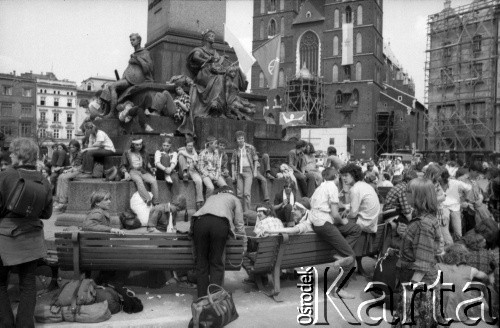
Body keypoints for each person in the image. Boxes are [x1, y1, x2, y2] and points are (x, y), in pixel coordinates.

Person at [262, 190, 359, 299]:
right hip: (328, 253)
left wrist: (271, 231)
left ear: (303, 211)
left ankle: (339, 289)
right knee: (351, 250)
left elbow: (294, 229)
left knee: (350, 256)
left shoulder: (306, 224)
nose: (292, 211)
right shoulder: (318, 217)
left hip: (300, 258)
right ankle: (340, 284)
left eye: (295, 209)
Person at [0, 138, 52, 328]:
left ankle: (5, 322)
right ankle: (24, 324)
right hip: (32, 238)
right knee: (28, 284)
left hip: (5, 239)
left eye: (12, 152)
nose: (10, 155)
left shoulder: (5, 175)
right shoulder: (43, 180)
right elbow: (47, 214)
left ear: (19, 154)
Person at [392, 178, 442, 328]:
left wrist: (410, 291)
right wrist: (405, 233)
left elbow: (423, 261)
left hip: (419, 284)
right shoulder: (422, 218)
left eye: (408, 192)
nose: (404, 194)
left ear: (419, 196)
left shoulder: (423, 223)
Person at [191, 185, 246, 297]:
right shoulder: (234, 199)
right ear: (231, 192)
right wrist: (244, 244)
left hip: (199, 222)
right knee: (216, 263)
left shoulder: (211, 198)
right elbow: (239, 224)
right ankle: (214, 299)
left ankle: (202, 300)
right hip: (219, 223)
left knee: (201, 263)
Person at [339, 163, 381, 275]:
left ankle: (344, 258)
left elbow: (353, 214)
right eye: (342, 175)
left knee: (337, 226)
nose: (343, 178)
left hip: (364, 223)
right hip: (372, 222)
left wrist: (342, 216)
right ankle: (356, 264)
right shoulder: (365, 185)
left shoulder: (355, 189)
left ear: (353, 175)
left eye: (346, 175)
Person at [436, 243, 490, 323]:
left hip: (442, 312)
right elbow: (485, 277)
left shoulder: (438, 266)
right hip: (462, 314)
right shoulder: (471, 270)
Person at [106, 33, 153, 116]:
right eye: (130, 40)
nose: (131, 42)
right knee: (107, 88)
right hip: (128, 78)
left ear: (139, 41)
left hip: (135, 80)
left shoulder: (145, 53)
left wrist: (137, 59)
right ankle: (106, 112)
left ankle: (112, 113)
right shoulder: (134, 54)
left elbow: (148, 68)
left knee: (112, 86)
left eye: (133, 40)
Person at [120, 138, 159, 206]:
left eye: (140, 144)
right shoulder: (127, 153)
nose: (139, 146)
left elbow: (147, 162)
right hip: (133, 171)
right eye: (137, 145)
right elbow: (122, 165)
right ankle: (148, 199)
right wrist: (125, 172)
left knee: (153, 180)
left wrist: (151, 168)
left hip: (142, 170)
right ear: (133, 145)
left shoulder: (144, 152)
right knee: (139, 181)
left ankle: (155, 201)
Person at [231, 131, 259, 212]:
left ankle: (247, 212)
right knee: (239, 194)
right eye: (239, 139)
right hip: (239, 172)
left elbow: (255, 159)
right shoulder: (235, 150)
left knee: (246, 193)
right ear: (236, 140)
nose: (241, 140)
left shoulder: (250, 147)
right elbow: (233, 162)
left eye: (242, 138)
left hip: (248, 170)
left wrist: (255, 171)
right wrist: (233, 174)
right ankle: (239, 212)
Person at [440, 169, 471, 242]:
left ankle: (458, 244)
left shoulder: (454, 182)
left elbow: (469, 188)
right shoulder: (437, 184)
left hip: (455, 206)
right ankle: (449, 245)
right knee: (444, 229)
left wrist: (465, 199)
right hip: (443, 207)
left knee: (458, 231)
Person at [54, 139, 84, 212]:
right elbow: (72, 166)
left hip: (79, 171)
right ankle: (57, 200)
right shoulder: (71, 154)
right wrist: (65, 168)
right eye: (70, 147)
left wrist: (68, 170)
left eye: (73, 147)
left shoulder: (79, 154)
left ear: (77, 147)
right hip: (74, 169)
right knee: (60, 177)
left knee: (64, 178)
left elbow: (77, 166)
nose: (71, 149)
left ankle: (63, 202)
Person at [177, 137, 204, 209]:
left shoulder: (194, 153)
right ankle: (185, 173)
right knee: (181, 156)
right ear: (185, 145)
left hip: (192, 171)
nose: (190, 147)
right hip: (183, 172)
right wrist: (191, 157)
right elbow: (180, 152)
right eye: (188, 146)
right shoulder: (182, 150)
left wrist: (195, 162)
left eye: (191, 146)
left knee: (199, 181)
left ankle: (199, 201)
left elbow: (196, 164)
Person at [198, 136, 227, 201]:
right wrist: (209, 175)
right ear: (210, 144)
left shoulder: (215, 153)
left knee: (224, 187)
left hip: (215, 173)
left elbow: (218, 166)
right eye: (215, 144)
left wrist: (217, 175)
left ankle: (220, 204)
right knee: (211, 188)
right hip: (206, 175)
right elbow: (200, 168)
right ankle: (208, 204)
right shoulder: (202, 154)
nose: (216, 146)